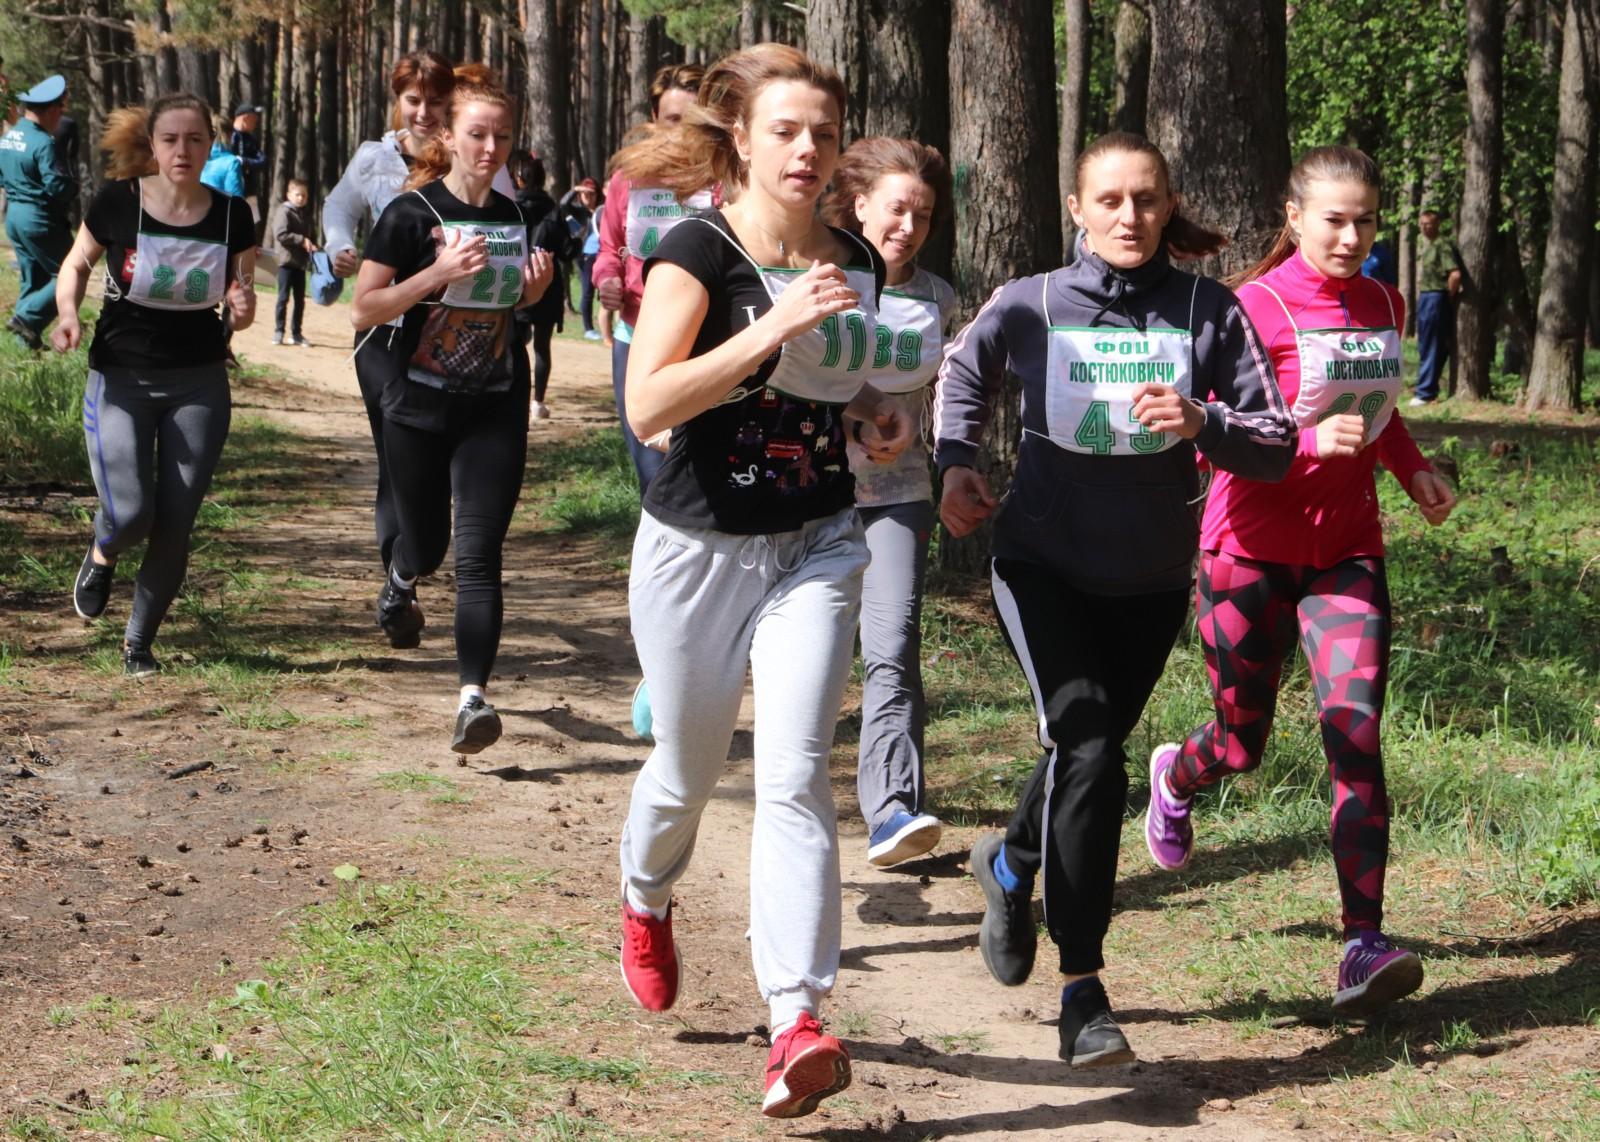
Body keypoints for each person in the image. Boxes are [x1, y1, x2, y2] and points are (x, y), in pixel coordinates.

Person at [939, 132, 1297, 1067]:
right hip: (1040, 563)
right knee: (1092, 748)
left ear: (1168, 204)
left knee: (1083, 755)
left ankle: (1008, 862)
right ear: (1078, 208)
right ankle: (1083, 990)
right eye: (1109, 199)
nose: (1129, 216)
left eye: (1146, 199)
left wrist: (1204, 420)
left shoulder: (1208, 310)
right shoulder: (1032, 302)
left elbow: (1275, 441)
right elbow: (965, 371)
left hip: (1149, 580)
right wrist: (955, 463)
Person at [613, 44, 914, 1119]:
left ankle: (796, 1018)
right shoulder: (697, 248)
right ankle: (646, 893)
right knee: (688, 771)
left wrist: (875, 412)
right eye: (785, 130)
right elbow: (649, 404)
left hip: (817, 539)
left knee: (793, 775)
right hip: (697, 545)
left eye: (824, 134)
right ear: (741, 138)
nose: (806, 150)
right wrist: (772, 326)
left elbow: (835, 386)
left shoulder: (854, 258)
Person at [1142, 146, 1458, 1019]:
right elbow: (1207, 425)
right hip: (1246, 551)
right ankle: (1178, 777)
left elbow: (1380, 412)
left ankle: (1363, 942)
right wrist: (1305, 440)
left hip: (1347, 552)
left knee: (1355, 735)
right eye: (1334, 220)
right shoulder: (1253, 306)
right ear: (1294, 217)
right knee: (1241, 743)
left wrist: (1414, 471)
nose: (1351, 237)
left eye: (1365, 221)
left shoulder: (1386, 303)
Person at [350, 79, 554, 755]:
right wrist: (435, 274)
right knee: (427, 546)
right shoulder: (410, 214)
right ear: (448, 137)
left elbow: (506, 305)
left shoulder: (516, 213)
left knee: (479, 553)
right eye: (477, 134)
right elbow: (364, 309)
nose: (491, 147)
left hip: (495, 404)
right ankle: (402, 580)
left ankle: (473, 698)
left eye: (502, 135)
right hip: (418, 404)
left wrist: (532, 295)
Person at [51, 94, 257, 674]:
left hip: (199, 383)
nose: (182, 150)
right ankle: (104, 548)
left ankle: (138, 643)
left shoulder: (232, 215)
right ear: (153, 145)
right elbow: (76, 263)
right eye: (171, 140)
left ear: (211, 145)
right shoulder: (119, 202)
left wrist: (242, 310)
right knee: (133, 512)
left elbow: (241, 302)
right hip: (121, 376)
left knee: (175, 522)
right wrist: (68, 314)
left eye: (195, 139)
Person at [820, 137, 956, 869]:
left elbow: (945, 390)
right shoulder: (825, 278)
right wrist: (855, 419)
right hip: (809, 491)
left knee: (893, 646)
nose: (908, 225)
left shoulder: (938, 298)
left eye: (922, 214)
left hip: (899, 492)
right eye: (897, 208)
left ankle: (892, 807)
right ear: (861, 205)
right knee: (814, 651)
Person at [322, 50, 455, 583]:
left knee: (437, 461)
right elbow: (339, 207)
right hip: (383, 333)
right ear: (397, 101)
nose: (424, 112)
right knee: (395, 457)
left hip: (453, 337)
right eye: (413, 100)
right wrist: (339, 245)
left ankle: (416, 558)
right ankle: (399, 584)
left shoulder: (469, 152)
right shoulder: (374, 158)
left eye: (436, 101)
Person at [593, 63, 711, 495]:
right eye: (673, 120)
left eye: (693, 120)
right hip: (636, 336)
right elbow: (609, 248)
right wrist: (607, 280)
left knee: (704, 470)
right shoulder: (629, 180)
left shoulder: (723, 179)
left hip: (705, 342)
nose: (682, 133)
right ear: (655, 120)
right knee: (652, 474)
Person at [0, 74, 76, 350]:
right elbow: (58, 186)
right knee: (71, 271)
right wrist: (74, 187)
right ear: (52, 109)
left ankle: (23, 346)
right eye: (61, 110)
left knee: (33, 279)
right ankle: (27, 319)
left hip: (14, 217)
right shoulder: (44, 143)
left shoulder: (9, 137)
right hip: (40, 219)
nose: (61, 117)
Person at [509, 149, 563, 420]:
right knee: (542, 347)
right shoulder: (553, 209)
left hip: (516, 280)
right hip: (548, 282)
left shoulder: (509, 206)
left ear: (519, 179)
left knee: (514, 345)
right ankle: (538, 403)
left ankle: (512, 398)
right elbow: (566, 249)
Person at [1410, 207, 1462, 407]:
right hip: (1427, 296)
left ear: (1437, 224)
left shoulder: (1442, 245)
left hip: (1436, 296)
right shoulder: (1428, 245)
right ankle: (1428, 388)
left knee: (1432, 344)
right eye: (1422, 224)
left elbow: (1455, 274)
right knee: (1425, 344)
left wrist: (1447, 296)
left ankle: (1425, 392)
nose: (1425, 228)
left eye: (1428, 224)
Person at [270, 178, 317, 346]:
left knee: (300, 300)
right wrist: (301, 240)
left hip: (300, 264)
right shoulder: (284, 212)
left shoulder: (306, 214)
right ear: (289, 195)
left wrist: (313, 245)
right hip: (286, 262)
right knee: (283, 298)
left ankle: (297, 333)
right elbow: (281, 234)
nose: (301, 198)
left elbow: (311, 235)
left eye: (304, 195)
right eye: (298, 195)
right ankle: (279, 331)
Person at [228, 103, 267, 237]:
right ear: (245, 118)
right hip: (229, 190)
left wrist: (244, 161)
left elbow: (262, 160)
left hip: (249, 189)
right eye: (254, 120)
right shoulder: (228, 136)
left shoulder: (251, 140)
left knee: (251, 225)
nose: (256, 124)